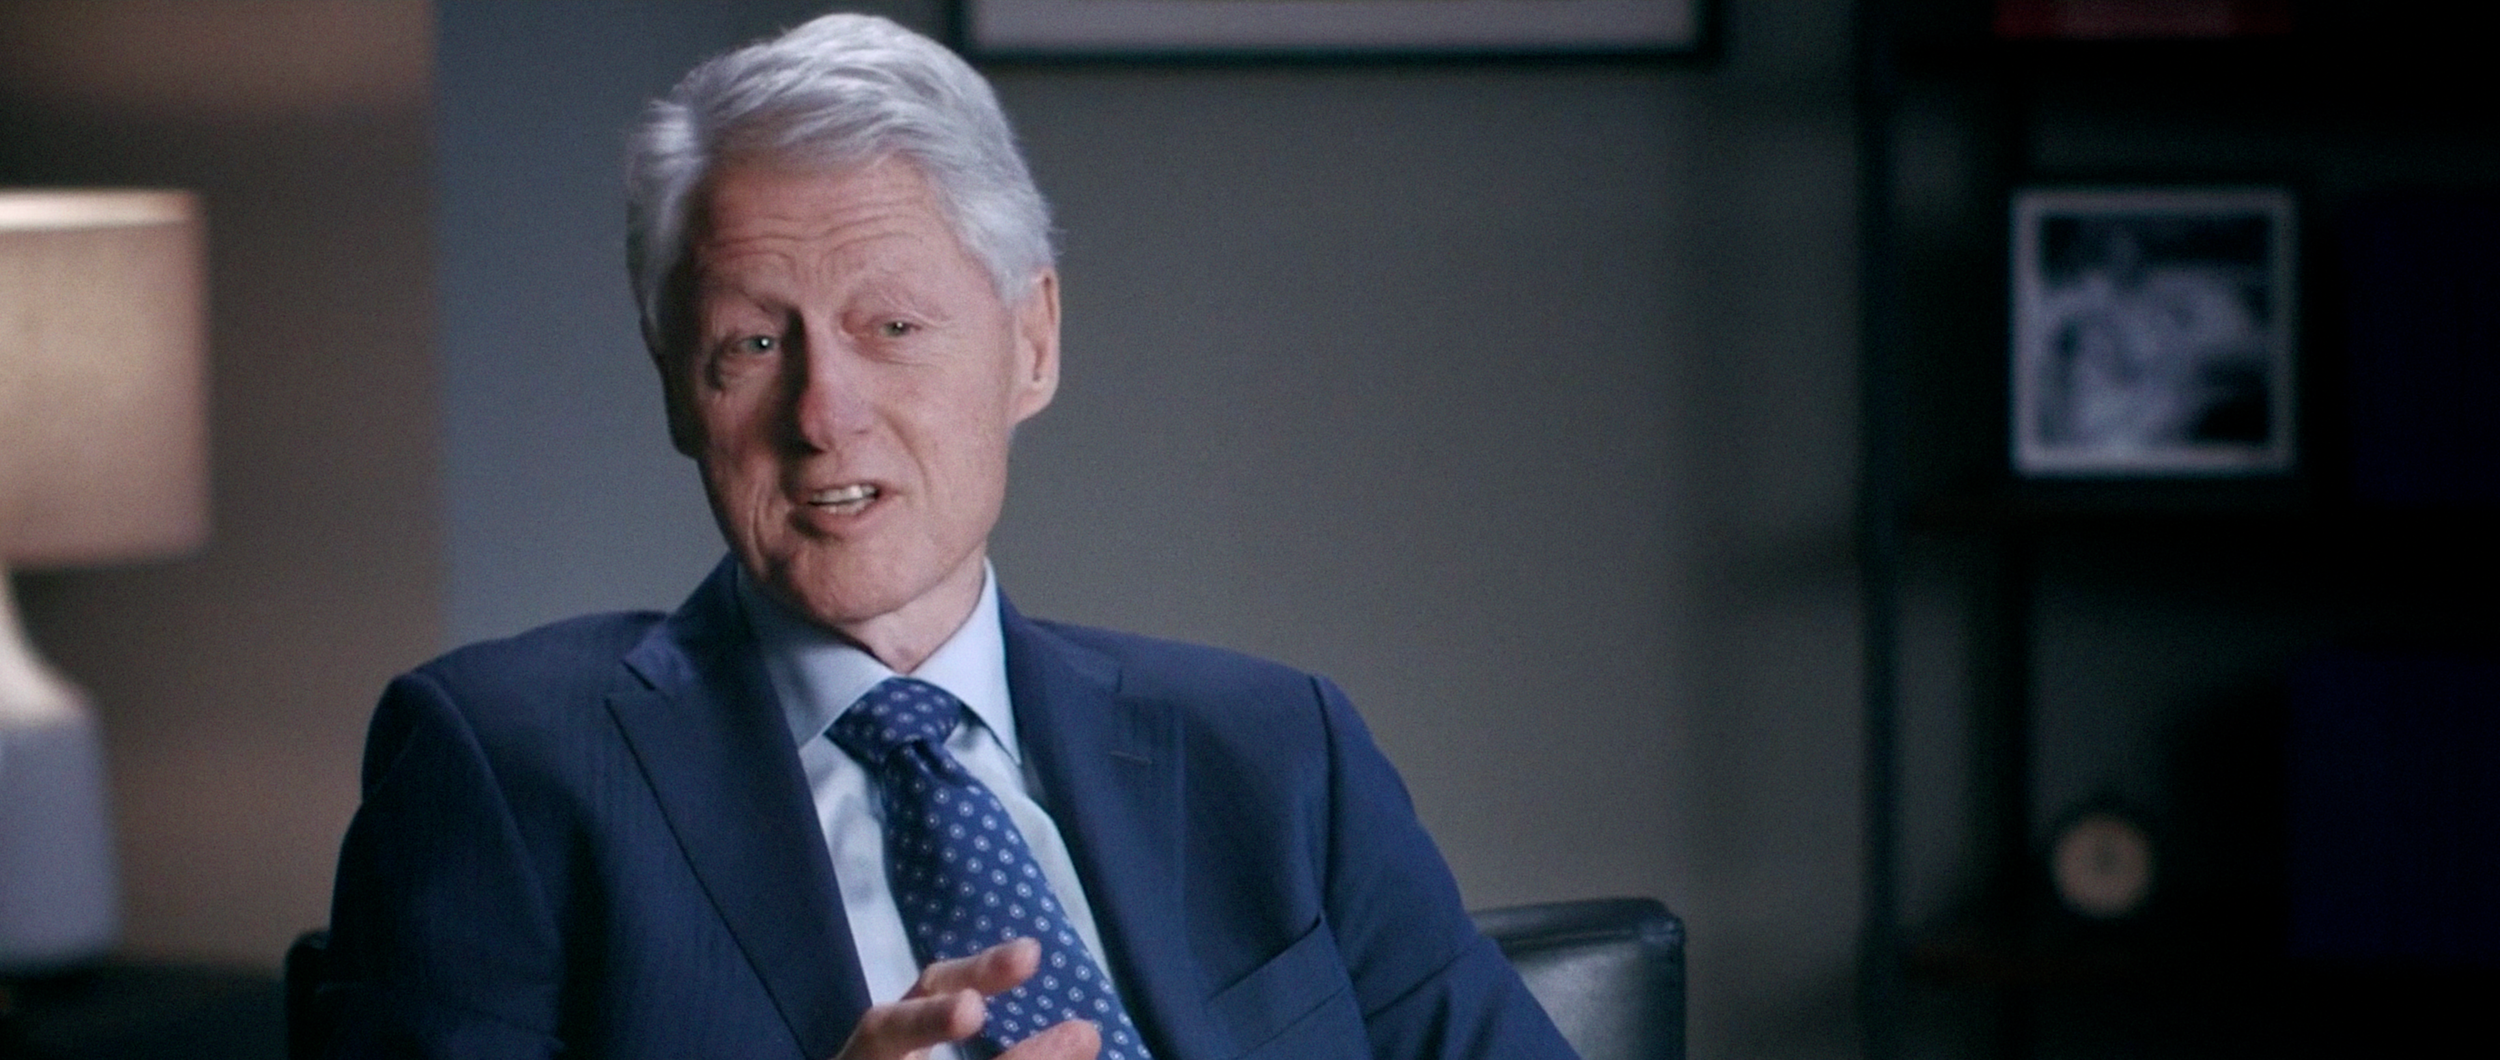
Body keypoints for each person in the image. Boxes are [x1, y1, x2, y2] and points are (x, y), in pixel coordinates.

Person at [321, 12, 1576, 1060]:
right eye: (754, 343)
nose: (821, 413)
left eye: (893, 328)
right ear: (672, 382)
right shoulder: (505, 768)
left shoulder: (1278, 754)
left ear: (1032, 343)